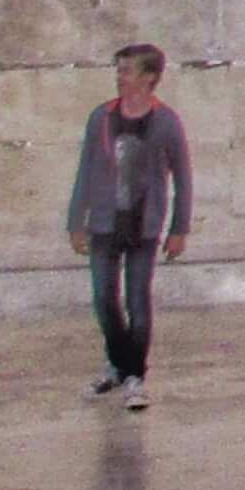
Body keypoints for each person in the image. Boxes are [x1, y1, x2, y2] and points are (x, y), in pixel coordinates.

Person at [67, 44, 192, 410]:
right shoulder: (101, 118)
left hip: (144, 224)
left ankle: (135, 374)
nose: (120, 77)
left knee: (138, 299)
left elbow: (182, 176)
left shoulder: (167, 122)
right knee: (104, 299)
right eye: (119, 70)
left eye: (127, 70)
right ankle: (118, 364)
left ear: (148, 77)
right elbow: (86, 170)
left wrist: (179, 228)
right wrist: (76, 221)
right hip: (105, 222)